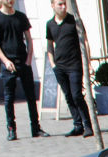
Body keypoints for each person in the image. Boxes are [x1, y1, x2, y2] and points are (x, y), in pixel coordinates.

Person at [0, 0, 49, 140]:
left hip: (23, 61)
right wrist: (5, 61)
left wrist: (29, 58)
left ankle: (36, 128)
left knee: (30, 95)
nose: (10, 0)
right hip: (8, 63)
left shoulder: (21, 16)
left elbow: (29, 39)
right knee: (9, 97)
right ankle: (11, 129)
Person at [46, 0, 92, 137]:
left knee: (77, 94)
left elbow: (84, 40)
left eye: (64, 4)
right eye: (60, 4)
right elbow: (50, 45)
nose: (63, 7)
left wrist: (87, 61)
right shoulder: (50, 24)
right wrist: (52, 64)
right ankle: (77, 125)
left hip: (74, 64)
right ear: (53, 5)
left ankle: (88, 125)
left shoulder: (74, 21)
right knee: (68, 96)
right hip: (60, 66)